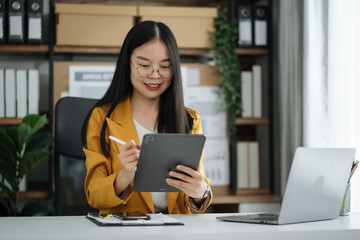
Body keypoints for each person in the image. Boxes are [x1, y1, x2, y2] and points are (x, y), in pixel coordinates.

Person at [82, 21, 212, 215]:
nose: (154, 75)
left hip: (175, 230)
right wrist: (124, 177)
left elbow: (195, 192)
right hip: (123, 230)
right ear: (128, 64)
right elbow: (94, 194)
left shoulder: (189, 119)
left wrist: (199, 191)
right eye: (144, 65)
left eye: (165, 66)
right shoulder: (101, 118)